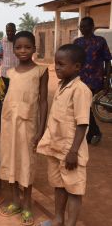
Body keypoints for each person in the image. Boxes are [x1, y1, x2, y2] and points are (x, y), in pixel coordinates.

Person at [37, 44, 92, 226]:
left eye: (61, 64)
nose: (57, 67)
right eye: (55, 63)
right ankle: (58, 219)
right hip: (56, 147)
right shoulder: (62, 85)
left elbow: (83, 123)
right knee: (59, 186)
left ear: (76, 67)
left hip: (70, 152)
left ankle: (70, 223)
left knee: (74, 190)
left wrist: (73, 151)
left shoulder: (80, 90)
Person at [0, 31, 49, 225]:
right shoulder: (9, 73)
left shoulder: (40, 72)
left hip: (28, 125)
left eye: (27, 47)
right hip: (9, 123)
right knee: (10, 161)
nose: (23, 51)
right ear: (13, 49)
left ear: (34, 49)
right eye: (19, 47)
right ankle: (15, 201)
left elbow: (43, 102)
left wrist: (41, 130)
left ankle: (28, 205)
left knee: (26, 164)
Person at [73, 17, 111, 145]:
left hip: (95, 79)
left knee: (84, 105)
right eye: (81, 26)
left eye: (85, 26)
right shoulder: (77, 42)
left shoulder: (100, 41)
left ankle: (94, 132)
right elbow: (72, 60)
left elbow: (107, 60)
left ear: (92, 26)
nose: (83, 29)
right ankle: (91, 133)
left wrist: (107, 80)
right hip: (79, 78)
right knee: (82, 106)